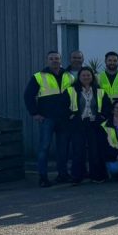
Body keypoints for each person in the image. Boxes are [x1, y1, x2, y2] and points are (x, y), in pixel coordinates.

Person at [24, 50, 74, 187]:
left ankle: (63, 175)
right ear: (47, 61)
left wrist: (72, 112)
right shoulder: (39, 76)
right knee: (44, 148)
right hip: (47, 118)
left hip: (64, 118)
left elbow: (75, 95)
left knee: (63, 149)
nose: (54, 61)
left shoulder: (69, 76)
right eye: (51, 58)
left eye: (56, 58)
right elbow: (28, 95)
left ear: (61, 60)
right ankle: (43, 177)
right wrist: (34, 113)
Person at [66, 66, 108, 185]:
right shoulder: (71, 90)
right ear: (79, 77)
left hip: (94, 124)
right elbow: (63, 105)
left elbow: (107, 106)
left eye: (88, 75)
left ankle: (96, 175)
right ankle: (77, 176)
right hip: (78, 124)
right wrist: (71, 116)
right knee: (78, 150)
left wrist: (102, 117)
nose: (86, 77)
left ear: (92, 77)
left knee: (95, 150)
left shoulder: (99, 91)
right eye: (83, 75)